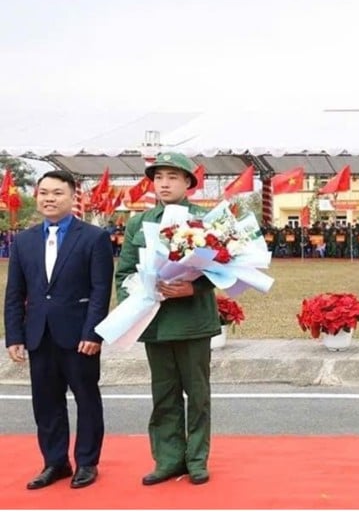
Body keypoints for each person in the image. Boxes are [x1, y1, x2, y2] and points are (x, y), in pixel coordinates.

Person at [115, 152, 220, 486]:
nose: (164, 183)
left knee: (197, 393)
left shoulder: (207, 219)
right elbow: (125, 272)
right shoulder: (138, 222)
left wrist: (194, 287)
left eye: (172, 177)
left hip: (192, 319)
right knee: (164, 393)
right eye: (158, 177)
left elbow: (224, 270)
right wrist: (142, 294)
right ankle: (168, 458)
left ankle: (197, 459)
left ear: (188, 182)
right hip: (155, 320)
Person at [4, 170, 114, 490]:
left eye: (57, 193)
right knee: (46, 402)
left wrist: (93, 333)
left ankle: (87, 462)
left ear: (72, 197)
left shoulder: (93, 237)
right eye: (43, 193)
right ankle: (55, 462)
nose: (49, 199)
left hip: (79, 336)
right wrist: (14, 335)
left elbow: (100, 290)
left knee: (86, 399)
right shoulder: (24, 241)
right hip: (39, 334)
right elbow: (15, 293)